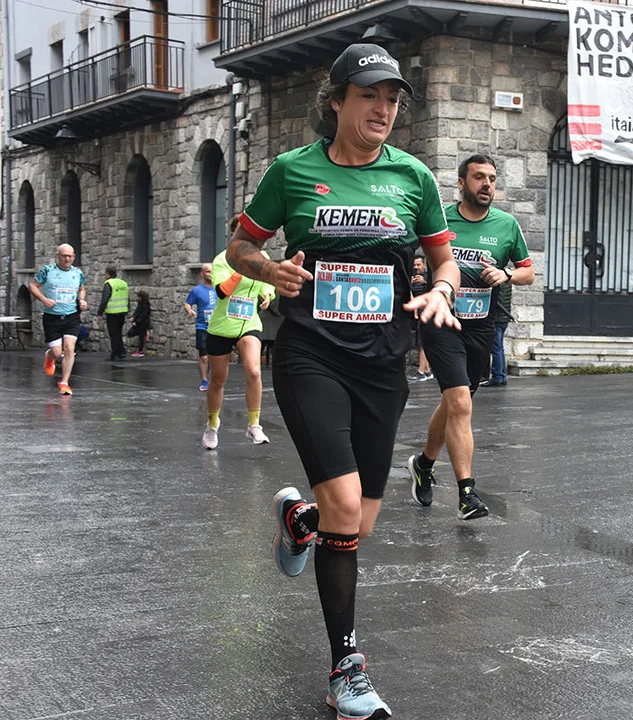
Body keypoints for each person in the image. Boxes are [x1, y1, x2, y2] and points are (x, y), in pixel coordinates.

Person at [225, 43, 460, 720]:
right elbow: (240, 247)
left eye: (392, 99)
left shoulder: (413, 177)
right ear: (336, 102)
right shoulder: (293, 171)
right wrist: (269, 270)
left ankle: (299, 520)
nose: (383, 109)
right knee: (348, 508)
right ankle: (346, 670)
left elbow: (444, 262)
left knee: (356, 520)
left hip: (382, 363)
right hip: (311, 356)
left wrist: (442, 291)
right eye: (369, 96)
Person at [407, 154, 534, 519]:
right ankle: (466, 494)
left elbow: (527, 273)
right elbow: (407, 254)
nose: (487, 184)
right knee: (461, 403)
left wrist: (506, 276)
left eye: (492, 178)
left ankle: (423, 464)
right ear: (461, 183)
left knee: (454, 402)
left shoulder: (506, 225)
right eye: (479, 177)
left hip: (480, 326)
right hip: (442, 320)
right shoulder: (440, 219)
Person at [201, 247, 275, 449]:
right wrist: (242, 268)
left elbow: (267, 281)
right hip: (222, 327)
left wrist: (267, 294)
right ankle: (212, 424)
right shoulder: (222, 260)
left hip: (249, 323)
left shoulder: (263, 257)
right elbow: (222, 292)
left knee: (254, 371)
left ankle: (254, 424)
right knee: (218, 379)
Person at [29, 244, 86, 396]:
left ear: (74, 257)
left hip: (71, 316)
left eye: (70, 256)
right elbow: (33, 285)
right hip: (52, 317)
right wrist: (44, 299)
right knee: (57, 352)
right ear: (57, 256)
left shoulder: (77, 273)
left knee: (69, 348)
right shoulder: (48, 271)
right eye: (64, 256)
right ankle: (50, 356)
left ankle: (64, 383)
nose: (67, 259)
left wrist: (82, 300)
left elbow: (82, 288)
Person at [184, 263, 217, 390]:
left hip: (218, 327)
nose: (211, 274)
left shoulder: (221, 288)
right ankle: (204, 381)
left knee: (216, 356)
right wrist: (189, 310)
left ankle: (215, 380)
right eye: (208, 272)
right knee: (204, 356)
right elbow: (187, 303)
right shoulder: (197, 290)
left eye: (212, 271)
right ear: (202, 274)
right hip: (202, 327)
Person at [481, 281, 513, 387]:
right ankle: (501, 376)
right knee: (499, 348)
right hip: (503, 318)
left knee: (496, 349)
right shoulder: (507, 281)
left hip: (497, 318)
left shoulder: (498, 282)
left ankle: (497, 377)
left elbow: (495, 299)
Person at [408, 254, 433, 382]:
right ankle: (427, 370)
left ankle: (421, 372)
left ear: (424, 265)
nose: (416, 267)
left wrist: (424, 282)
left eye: (418, 265)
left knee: (422, 342)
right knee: (418, 343)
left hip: (426, 311)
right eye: (414, 265)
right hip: (415, 311)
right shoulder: (411, 275)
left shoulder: (429, 277)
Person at [96, 266, 129, 361]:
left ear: (108, 274)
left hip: (112, 312)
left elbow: (105, 299)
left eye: (105, 273)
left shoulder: (108, 284)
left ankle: (115, 353)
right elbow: (127, 298)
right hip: (123, 311)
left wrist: (100, 312)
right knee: (118, 332)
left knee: (113, 333)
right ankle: (121, 352)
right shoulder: (123, 283)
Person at [127, 290, 151, 356]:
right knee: (130, 333)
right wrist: (133, 318)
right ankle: (145, 333)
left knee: (141, 337)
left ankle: (140, 352)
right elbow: (137, 311)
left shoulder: (146, 304)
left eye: (139, 297)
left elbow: (144, 315)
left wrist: (136, 322)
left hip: (143, 322)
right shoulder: (140, 303)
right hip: (139, 321)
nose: (138, 298)